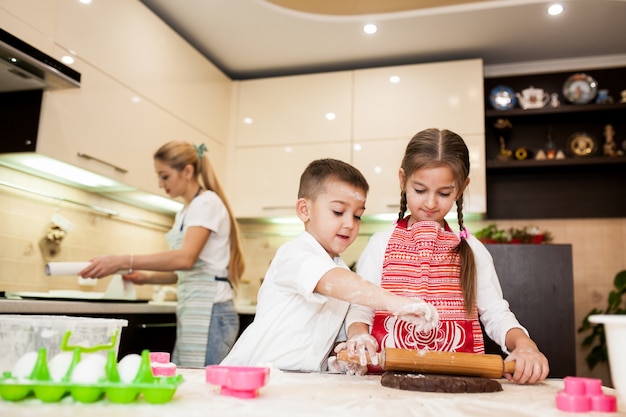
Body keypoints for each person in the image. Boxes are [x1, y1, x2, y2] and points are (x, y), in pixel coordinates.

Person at [348, 128, 550, 385]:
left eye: (444, 193)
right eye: (420, 190)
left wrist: (525, 346)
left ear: (462, 188)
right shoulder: (381, 244)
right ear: (403, 179)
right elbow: (360, 309)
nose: (431, 203)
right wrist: (358, 336)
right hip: (385, 384)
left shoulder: (472, 249)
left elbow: (496, 314)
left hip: (458, 385)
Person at [220, 158, 439, 372]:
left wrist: (344, 352)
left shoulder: (342, 271)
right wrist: (395, 302)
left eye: (357, 216)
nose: (349, 224)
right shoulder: (294, 254)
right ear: (304, 210)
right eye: (337, 212)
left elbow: (326, 337)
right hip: (250, 373)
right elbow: (333, 281)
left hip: (295, 384)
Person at [78, 140, 245, 367]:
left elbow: (185, 259)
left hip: (211, 314)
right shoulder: (185, 211)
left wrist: (122, 260)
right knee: (191, 385)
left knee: (204, 390)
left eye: (164, 176)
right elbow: (186, 271)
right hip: (195, 312)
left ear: (187, 171)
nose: (160, 183)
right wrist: (145, 277)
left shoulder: (206, 204)